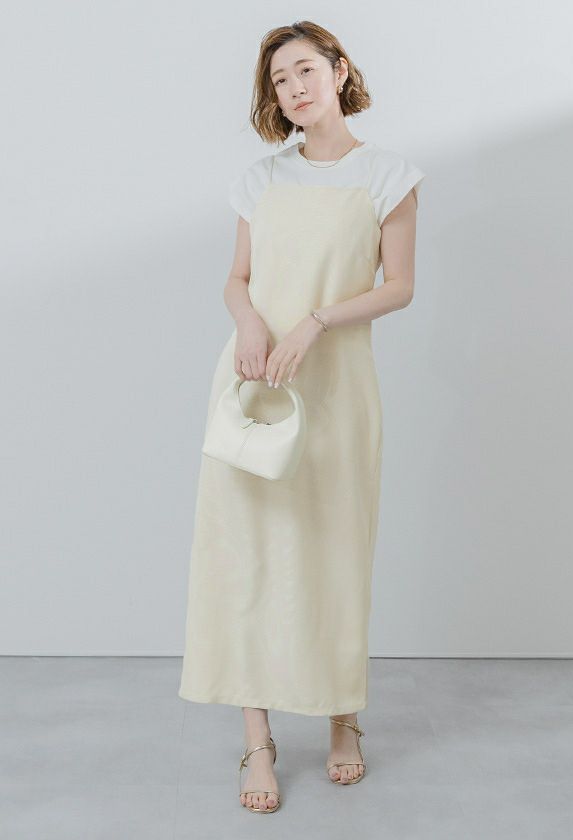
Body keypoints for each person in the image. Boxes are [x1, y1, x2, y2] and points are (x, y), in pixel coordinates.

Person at [178, 19, 425, 814]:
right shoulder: (261, 179)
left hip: (337, 389)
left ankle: (342, 719)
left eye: (305, 70)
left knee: (334, 553)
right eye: (279, 80)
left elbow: (399, 286)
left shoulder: (389, 175)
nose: (293, 88)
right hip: (254, 382)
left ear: (339, 70)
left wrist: (316, 322)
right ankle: (258, 741)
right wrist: (250, 324)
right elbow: (237, 278)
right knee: (247, 557)